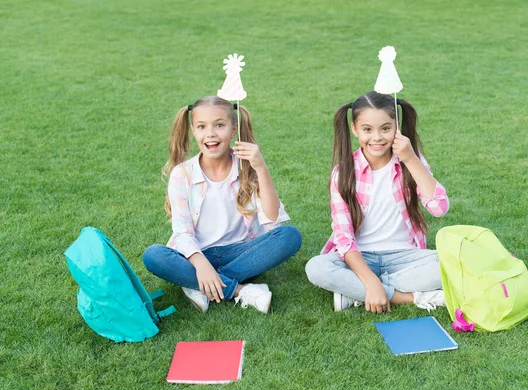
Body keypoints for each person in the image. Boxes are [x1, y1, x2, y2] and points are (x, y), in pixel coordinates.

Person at [143, 96, 302, 314]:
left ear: (233, 129)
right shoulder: (183, 173)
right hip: (197, 255)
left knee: (290, 236)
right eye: (202, 126)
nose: (210, 133)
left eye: (219, 125)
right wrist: (201, 265)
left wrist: (262, 168)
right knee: (154, 255)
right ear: (193, 130)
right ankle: (239, 290)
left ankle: (198, 284)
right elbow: (182, 232)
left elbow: (273, 218)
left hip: (241, 253)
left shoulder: (247, 167)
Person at [305, 91, 449, 313]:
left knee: (455, 261)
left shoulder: (411, 160)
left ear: (396, 126)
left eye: (385, 128)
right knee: (316, 267)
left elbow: (439, 208)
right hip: (360, 258)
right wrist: (370, 280)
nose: (377, 137)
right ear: (354, 129)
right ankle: (403, 296)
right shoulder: (342, 173)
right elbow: (343, 237)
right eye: (367, 129)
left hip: (405, 257)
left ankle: (355, 293)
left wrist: (411, 159)